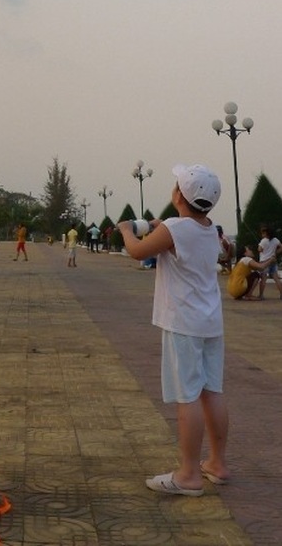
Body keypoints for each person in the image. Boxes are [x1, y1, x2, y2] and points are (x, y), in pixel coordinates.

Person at [116, 163, 229, 495]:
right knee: (212, 392)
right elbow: (185, 237)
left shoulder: (174, 229)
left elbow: (137, 251)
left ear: (178, 195)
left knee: (188, 396)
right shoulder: (210, 230)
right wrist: (161, 226)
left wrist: (126, 230)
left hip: (183, 322)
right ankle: (217, 464)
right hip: (211, 322)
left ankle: (189, 475)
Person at [256, 226, 282, 300]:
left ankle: (261, 295)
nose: (262, 234)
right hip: (273, 260)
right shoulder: (275, 240)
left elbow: (259, 249)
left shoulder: (264, 240)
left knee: (263, 279)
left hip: (264, 262)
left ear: (266, 233)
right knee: (276, 278)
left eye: (263, 232)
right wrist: (275, 253)